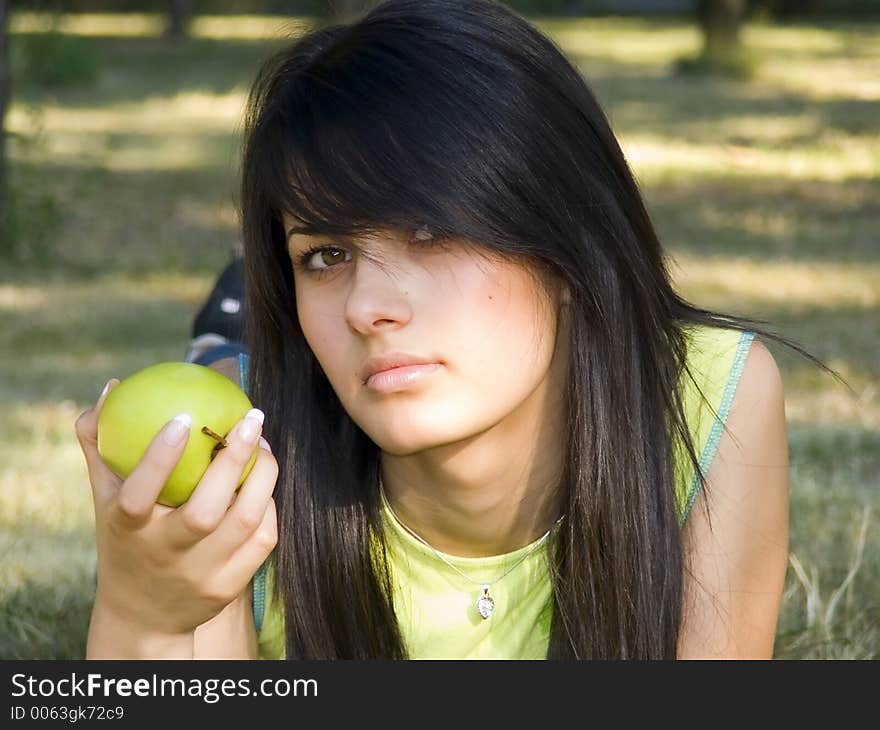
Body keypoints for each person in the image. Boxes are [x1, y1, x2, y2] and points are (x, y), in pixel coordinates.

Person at [75, 0, 846, 659]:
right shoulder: (232, 463)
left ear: (569, 246)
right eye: (325, 255)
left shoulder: (710, 398)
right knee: (229, 372)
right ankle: (233, 331)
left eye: (429, 232)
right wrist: (141, 611)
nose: (365, 305)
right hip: (261, 387)